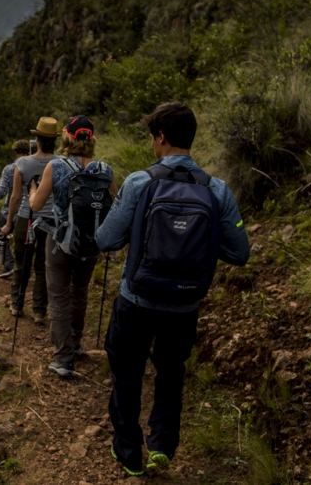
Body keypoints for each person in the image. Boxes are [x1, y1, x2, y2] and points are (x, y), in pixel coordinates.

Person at [95, 102, 250, 476]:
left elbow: (106, 239)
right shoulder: (218, 190)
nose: (151, 145)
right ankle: (162, 444)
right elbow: (239, 252)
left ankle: (128, 450)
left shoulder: (138, 182)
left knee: (127, 369)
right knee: (170, 370)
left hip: (137, 299)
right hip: (184, 303)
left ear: (161, 138)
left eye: (152, 138)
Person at [28, 115, 117, 377]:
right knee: (80, 292)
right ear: (92, 140)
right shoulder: (105, 170)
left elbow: (35, 206)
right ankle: (76, 344)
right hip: (92, 243)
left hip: (60, 243)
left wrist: (33, 192)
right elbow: (116, 206)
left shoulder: (56, 167)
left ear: (66, 137)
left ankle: (63, 358)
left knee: (58, 296)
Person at [0, 117, 60, 325]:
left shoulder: (22, 163)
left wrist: (9, 222)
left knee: (21, 263)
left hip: (27, 218)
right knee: (43, 265)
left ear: (36, 138)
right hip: (50, 220)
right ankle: (39, 310)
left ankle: (17, 304)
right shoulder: (60, 163)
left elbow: (15, 197)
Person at [0, 139, 30, 278]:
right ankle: (23, 269)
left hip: (10, 212)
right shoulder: (35, 167)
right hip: (29, 212)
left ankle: (10, 264)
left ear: (15, 151)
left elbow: (0, 193)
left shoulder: (10, 169)